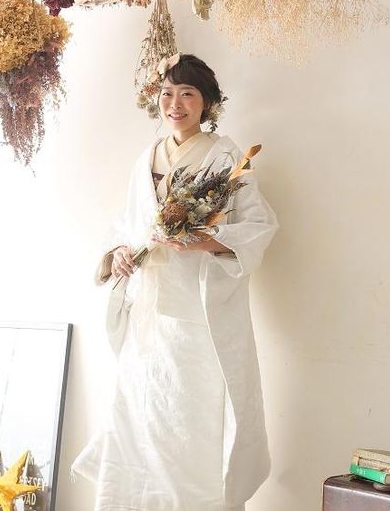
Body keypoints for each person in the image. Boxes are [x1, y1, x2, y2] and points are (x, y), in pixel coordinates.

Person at [72, 54, 278, 511]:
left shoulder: (226, 157)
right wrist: (119, 252)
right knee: (136, 420)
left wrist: (205, 241)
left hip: (195, 319)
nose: (175, 104)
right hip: (146, 316)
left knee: (188, 425)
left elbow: (259, 225)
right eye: (167, 93)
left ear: (207, 103)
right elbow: (128, 222)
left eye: (187, 93)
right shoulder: (146, 157)